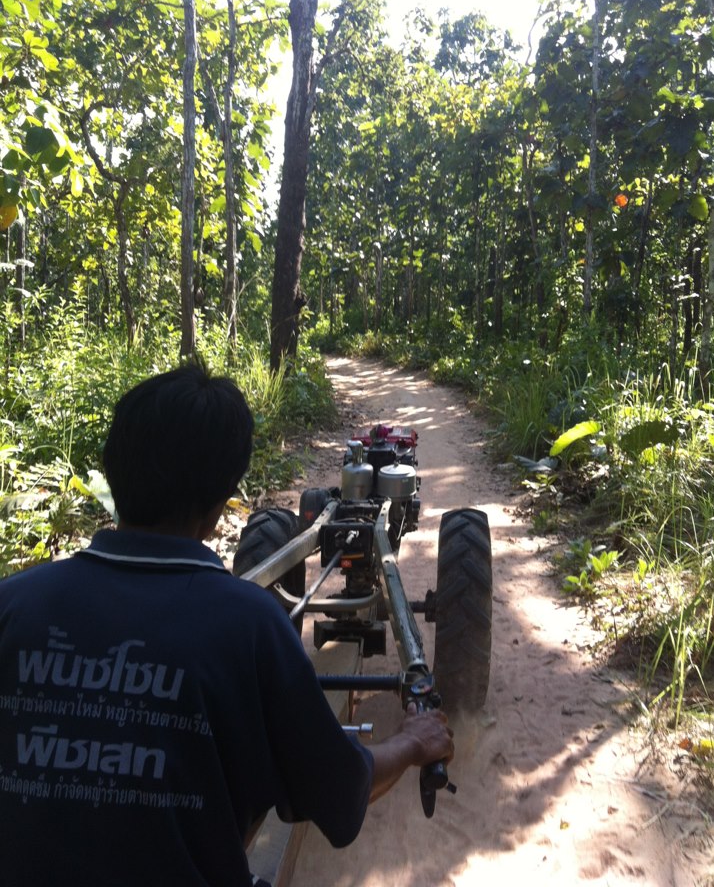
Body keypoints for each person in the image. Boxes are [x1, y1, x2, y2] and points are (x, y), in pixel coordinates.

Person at [0, 365, 453, 887]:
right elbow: (337, 792)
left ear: (112, 467)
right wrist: (412, 742)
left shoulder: (12, 604)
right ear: (221, 502)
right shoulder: (250, 626)